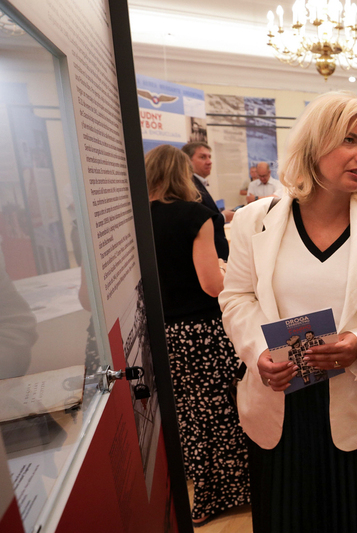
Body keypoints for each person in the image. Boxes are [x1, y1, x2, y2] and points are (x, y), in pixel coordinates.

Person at [219, 91, 357, 533]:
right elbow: (236, 297)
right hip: (279, 408)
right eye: (349, 140)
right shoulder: (255, 220)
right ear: (314, 146)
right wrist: (258, 353)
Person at [145, 144, 250, 527]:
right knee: (223, 412)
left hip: (164, 334)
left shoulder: (138, 218)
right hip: (202, 332)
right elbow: (210, 285)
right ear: (183, 174)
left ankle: (199, 487)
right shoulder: (197, 216)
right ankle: (227, 493)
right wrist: (231, 274)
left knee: (188, 415)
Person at [182, 142, 232, 262]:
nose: (209, 161)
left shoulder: (197, 183)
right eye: (202, 157)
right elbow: (198, 222)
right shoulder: (189, 186)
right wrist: (224, 216)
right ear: (188, 160)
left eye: (209, 157)